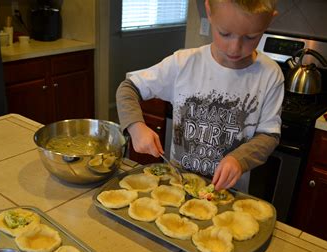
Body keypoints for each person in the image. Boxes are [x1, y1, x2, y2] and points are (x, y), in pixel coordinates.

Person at [116, 0, 284, 193]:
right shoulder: (183, 63)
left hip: (228, 194)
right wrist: (136, 126)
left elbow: (269, 135)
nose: (234, 48)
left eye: (251, 37)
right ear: (209, 12)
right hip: (177, 188)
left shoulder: (270, 75)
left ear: (269, 21)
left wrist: (239, 159)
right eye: (225, 33)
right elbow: (128, 88)